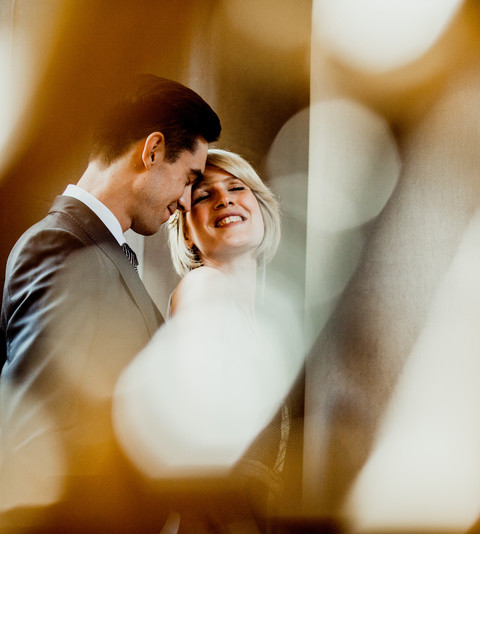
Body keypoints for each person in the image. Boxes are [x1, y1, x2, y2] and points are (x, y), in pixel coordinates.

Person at [0, 74, 221, 532]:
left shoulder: (99, 249)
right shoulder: (58, 247)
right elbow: (33, 437)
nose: (185, 200)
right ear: (153, 150)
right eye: (189, 177)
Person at [113, 148, 296, 532]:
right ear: (188, 232)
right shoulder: (205, 286)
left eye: (235, 188)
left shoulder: (256, 323)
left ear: (261, 208)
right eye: (203, 195)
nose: (224, 199)